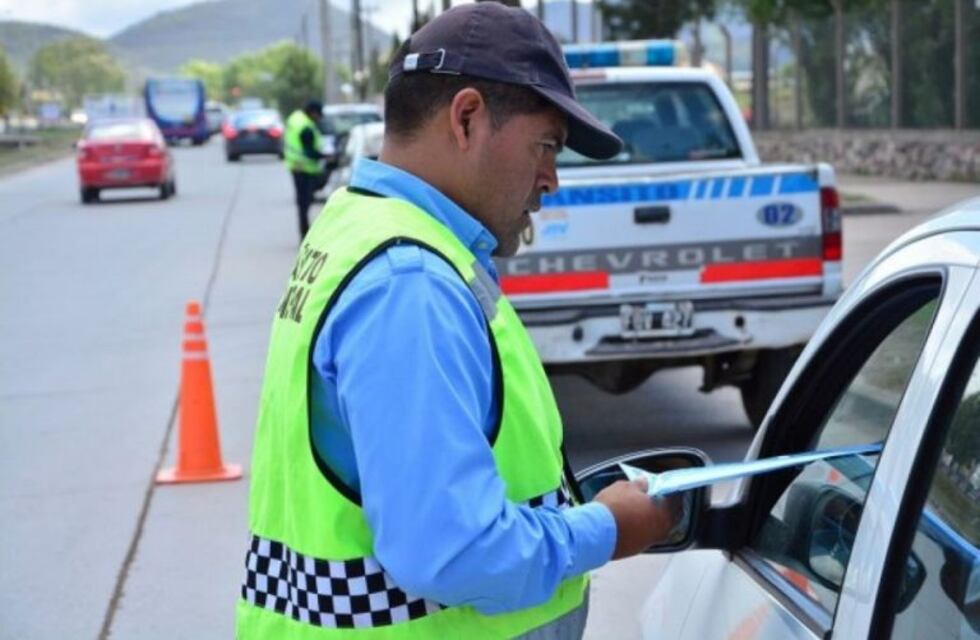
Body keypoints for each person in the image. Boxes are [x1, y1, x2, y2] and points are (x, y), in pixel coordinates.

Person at [237, 4, 680, 638]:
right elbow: (452, 550)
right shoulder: (408, 282)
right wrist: (608, 528)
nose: (551, 178)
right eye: (546, 145)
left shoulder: (354, 227)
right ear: (467, 118)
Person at [284, 99, 327, 238]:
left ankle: (304, 232)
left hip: (295, 166)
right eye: (319, 115)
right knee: (305, 202)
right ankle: (305, 233)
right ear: (313, 113)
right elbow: (309, 152)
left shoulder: (296, 118)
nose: (319, 119)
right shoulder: (306, 127)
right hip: (304, 168)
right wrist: (326, 156)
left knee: (302, 203)